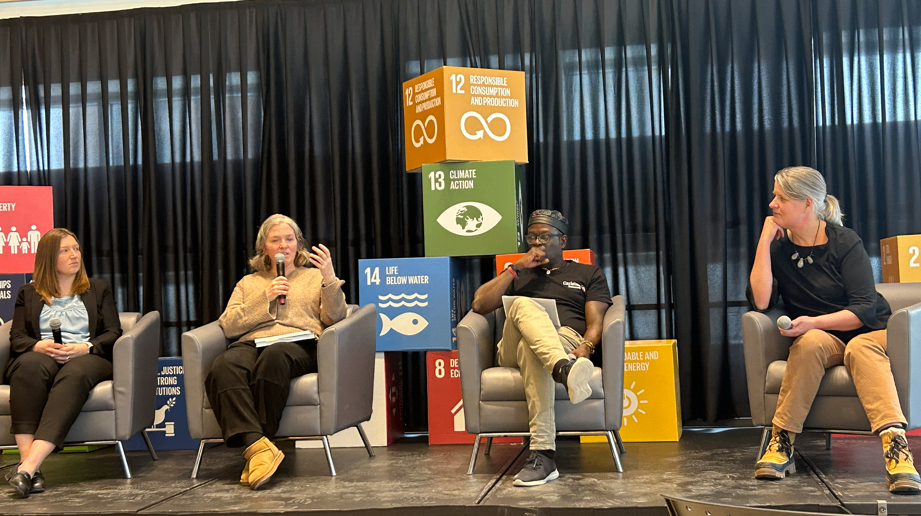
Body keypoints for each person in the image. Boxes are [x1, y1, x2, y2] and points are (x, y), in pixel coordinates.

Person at [748, 166, 920, 494]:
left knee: (858, 348)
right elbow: (760, 300)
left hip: (871, 330)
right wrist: (764, 240)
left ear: (807, 204)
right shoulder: (779, 249)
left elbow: (863, 311)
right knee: (810, 342)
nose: (772, 204)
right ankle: (781, 442)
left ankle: (896, 449)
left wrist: (812, 321)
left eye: (781, 197)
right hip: (824, 337)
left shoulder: (845, 242)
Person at [471, 209, 612, 487]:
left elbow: (596, 322)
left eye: (545, 237)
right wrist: (515, 268)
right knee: (522, 305)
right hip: (510, 347)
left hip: (564, 339)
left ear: (562, 240)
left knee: (531, 350)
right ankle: (563, 370)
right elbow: (479, 304)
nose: (537, 243)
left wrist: (585, 346)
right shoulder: (518, 274)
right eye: (532, 238)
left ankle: (543, 456)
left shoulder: (587, 273)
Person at [206, 214, 348, 490]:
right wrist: (265, 298)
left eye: (289, 239)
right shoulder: (249, 283)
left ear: (298, 245)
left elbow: (335, 317)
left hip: (299, 345)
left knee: (275, 358)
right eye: (275, 240)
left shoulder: (314, 277)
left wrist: (329, 279)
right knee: (223, 365)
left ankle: (258, 446)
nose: (283, 245)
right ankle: (259, 449)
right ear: (264, 248)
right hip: (253, 342)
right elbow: (229, 324)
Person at [5, 228, 122, 498]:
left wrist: (85, 347)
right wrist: (38, 345)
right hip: (43, 355)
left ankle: (28, 467)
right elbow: (17, 337)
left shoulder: (98, 289)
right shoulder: (28, 292)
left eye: (76, 249)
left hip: (87, 357)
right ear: (48, 257)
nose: (74, 255)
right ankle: (30, 472)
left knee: (75, 374)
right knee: (28, 367)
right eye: (65, 250)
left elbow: (113, 332)